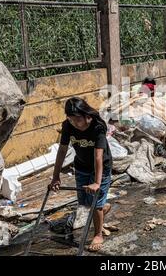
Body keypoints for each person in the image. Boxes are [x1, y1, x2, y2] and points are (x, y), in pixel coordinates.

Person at [49, 97, 112, 252]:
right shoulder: (67, 126)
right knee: (84, 203)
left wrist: (97, 183)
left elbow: (98, 155)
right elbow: (62, 150)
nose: (74, 123)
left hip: (101, 167)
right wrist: (56, 176)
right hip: (81, 166)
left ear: (86, 116)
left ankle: (98, 234)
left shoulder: (98, 127)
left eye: (77, 119)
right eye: (70, 120)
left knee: (95, 202)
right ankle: (102, 209)